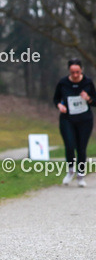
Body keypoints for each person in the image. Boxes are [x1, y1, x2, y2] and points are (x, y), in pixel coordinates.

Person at [53, 59, 95, 187]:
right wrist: (59, 105)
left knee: (81, 148)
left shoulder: (88, 83)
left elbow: (95, 101)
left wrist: (88, 99)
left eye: (77, 72)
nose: (75, 75)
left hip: (85, 120)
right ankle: (70, 170)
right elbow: (56, 99)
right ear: (69, 71)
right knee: (70, 145)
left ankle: (80, 175)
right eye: (72, 72)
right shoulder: (63, 83)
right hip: (68, 119)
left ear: (81, 70)